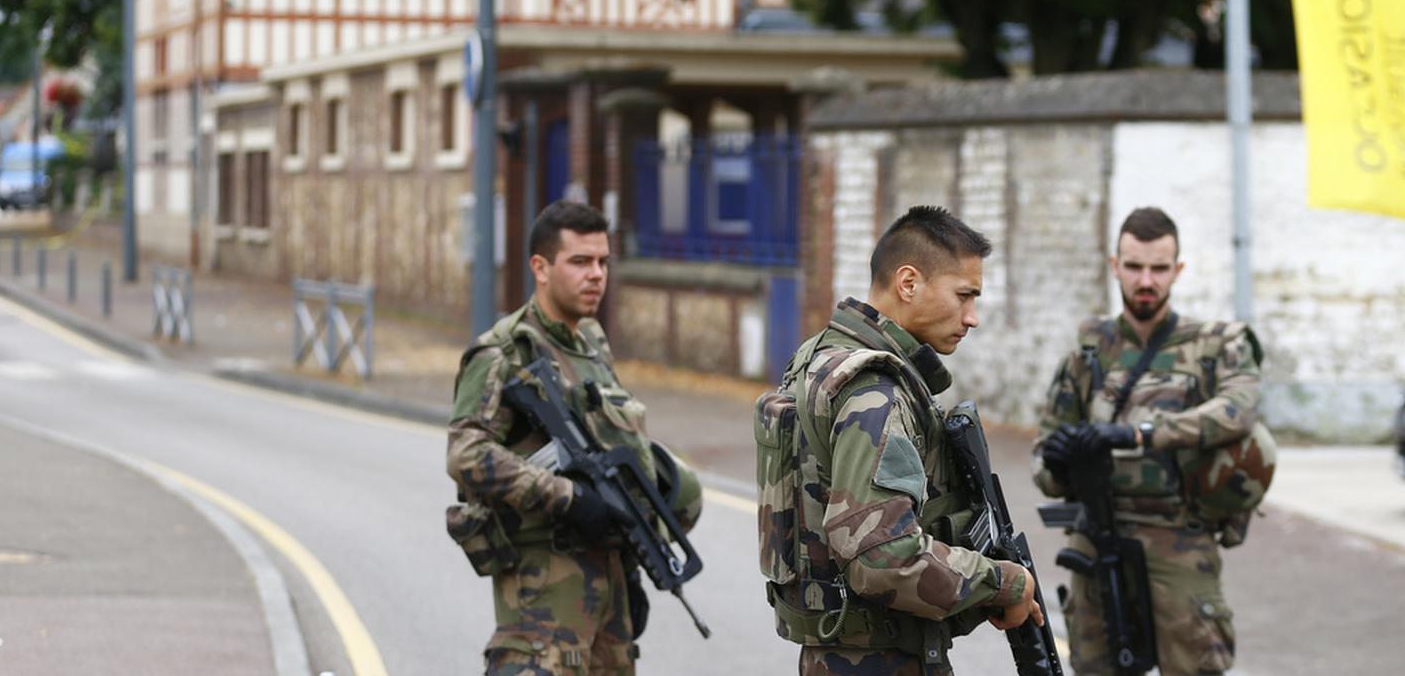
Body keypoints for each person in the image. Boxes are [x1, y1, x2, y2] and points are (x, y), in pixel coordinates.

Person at [756, 205, 1043, 676]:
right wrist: (1002, 583)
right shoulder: (875, 392)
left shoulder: (820, 357)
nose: (972, 318)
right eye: (964, 295)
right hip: (880, 660)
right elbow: (882, 558)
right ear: (908, 283)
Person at [446, 200, 702, 675]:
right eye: (580, 262)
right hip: (543, 594)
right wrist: (568, 498)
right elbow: (466, 454)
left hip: (608, 593)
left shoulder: (591, 342)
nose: (596, 275)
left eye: (603, 262)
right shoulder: (504, 352)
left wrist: (630, 561)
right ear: (540, 268)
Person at [1032, 206, 1264, 676]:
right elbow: (1044, 457)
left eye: (1159, 268)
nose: (1146, 280)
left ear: (1177, 270)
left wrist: (1141, 433)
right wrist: (1061, 462)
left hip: (1178, 535)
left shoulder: (1216, 344)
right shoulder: (1089, 348)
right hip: (1097, 532)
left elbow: (1239, 411)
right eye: (1134, 266)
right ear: (1115, 266)